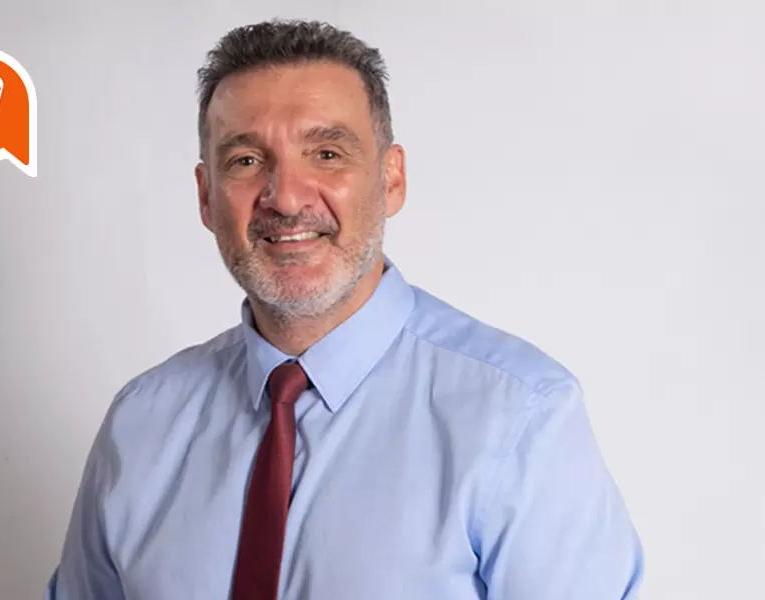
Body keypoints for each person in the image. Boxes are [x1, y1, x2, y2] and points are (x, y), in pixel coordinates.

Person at [44, 18, 644, 600]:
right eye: (246, 161)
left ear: (391, 179)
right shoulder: (140, 425)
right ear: (206, 197)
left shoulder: (520, 418)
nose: (285, 198)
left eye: (327, 153)